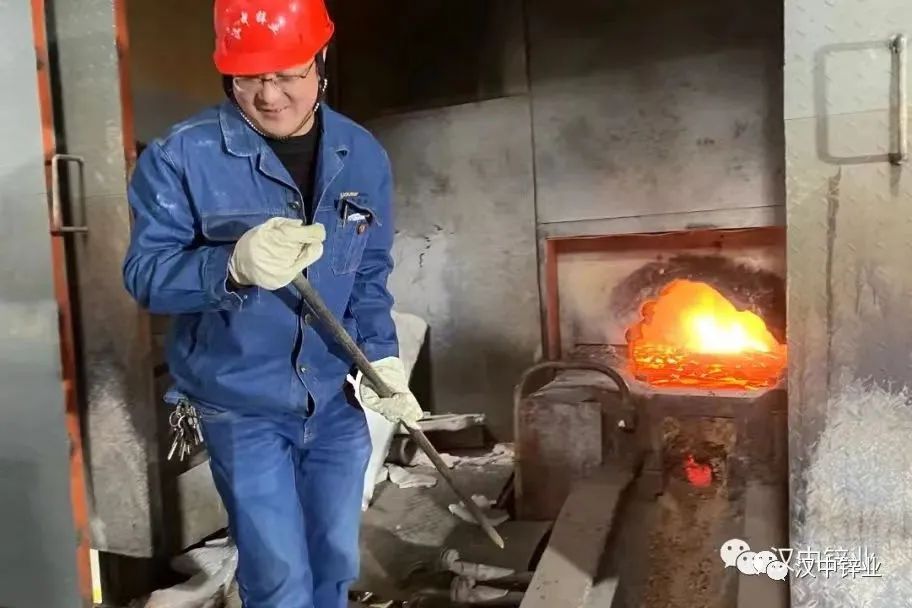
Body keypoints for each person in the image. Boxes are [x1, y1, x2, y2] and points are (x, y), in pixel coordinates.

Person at [122, 0, 423, 606]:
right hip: (242, 403)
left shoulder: (361, 154)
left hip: (335, 400)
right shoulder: (181, 157)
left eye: (287, 74)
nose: (269, 94)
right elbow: (146, 276)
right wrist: (229, 266)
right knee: (278, 575)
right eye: (249, 77)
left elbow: (369, 273)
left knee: (334, 561)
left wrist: (382, 359)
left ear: (320, 61)